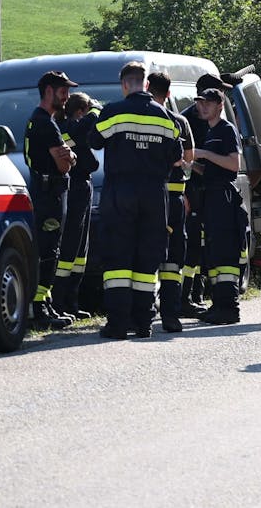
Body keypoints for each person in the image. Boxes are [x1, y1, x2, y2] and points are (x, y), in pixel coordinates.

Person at [89, 61, 183, 340]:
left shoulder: (113, 112)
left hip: (121, 191)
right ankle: (143, 323)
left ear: (124, 84)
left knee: (118, 257)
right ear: (144, 84)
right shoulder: (167, 117)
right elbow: (176, 157)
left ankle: (118, 324)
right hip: (155, 193)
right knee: (147, 258)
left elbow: (94, 140)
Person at [26, 70, 79, 330]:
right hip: (51, 194)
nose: (67, 96)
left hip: (44, 191)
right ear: (48, 91)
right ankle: (39, 308)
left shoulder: (38, 120)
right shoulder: (46, 123)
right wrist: (69, 158)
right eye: (62, 91)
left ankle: (44, 302)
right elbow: (63, 165)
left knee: (47, 249)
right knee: (49, 251)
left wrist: (69, 156)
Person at [189, 86, 245, 324]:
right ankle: (218, 304)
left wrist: (203, 153)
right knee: (213, 252)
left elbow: (234, 164)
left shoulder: (226, 130)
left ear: (220, 106)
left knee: (225, 251)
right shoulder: (210, 132)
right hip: (210, 196)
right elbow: (210, 169)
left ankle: (229, 307)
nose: (202, 107)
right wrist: (190, 163)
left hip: (224, 197)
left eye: (207, 103)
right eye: (200, 103)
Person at [147, 72, 196, 332]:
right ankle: (170, 315)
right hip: (175, 198)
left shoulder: (141, 120)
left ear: (147, 89)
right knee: (173, 258)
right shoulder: (179, 122)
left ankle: (141, 314)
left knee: (144, 255)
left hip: (148, 197)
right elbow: (188, 159)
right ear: (168, 94)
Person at [53, 92, 100, 319]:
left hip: (83, 187)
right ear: (80, 111)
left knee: (81, 249)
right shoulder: (67, 127)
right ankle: (60, 302)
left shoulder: (73, 126)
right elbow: (80, 134)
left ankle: (71, 301)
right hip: (75, 187)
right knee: (70, 246)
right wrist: (96, 110)